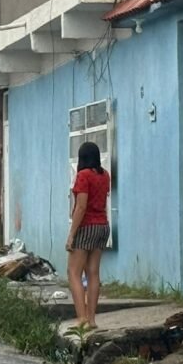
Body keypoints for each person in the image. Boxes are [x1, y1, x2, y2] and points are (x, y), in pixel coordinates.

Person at [65, 141, 111, 329]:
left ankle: (82, 318)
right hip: (102, 226)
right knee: (93, 273)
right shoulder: (105, 175)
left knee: (73, 273)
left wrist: (71, 234)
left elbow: (81, 206)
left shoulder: (83, 176)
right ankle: (91, 319)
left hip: (86, 227)